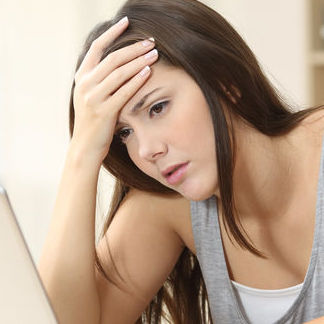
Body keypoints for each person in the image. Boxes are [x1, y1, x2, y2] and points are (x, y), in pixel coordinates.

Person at [38, 0, 324, 323]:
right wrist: (82, 153)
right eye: (124, 133)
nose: (146, 150)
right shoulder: (171, 204)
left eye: (157, 108)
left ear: (225, 81)